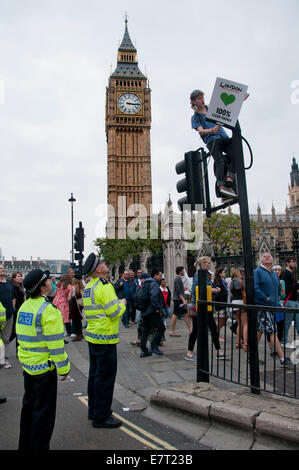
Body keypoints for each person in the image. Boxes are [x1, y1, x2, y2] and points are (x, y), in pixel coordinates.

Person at [16, 268, 70, 450]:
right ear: (42, 287)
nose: (51, 282)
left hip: (28, 368)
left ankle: (25, 445)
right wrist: (63, 369)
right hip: (44, 372)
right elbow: (56, 346)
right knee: (43, 415)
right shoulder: (48, 310)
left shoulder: (24, 307)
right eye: (48, 280)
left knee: (29, 410)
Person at [82, 253, 126, 429]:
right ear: (98, 269)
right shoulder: (105, 286)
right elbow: (114, 312)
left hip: (93, 337)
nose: (105, 263)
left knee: (95, 375)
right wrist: (123, 303)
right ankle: (101, 416)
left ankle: (94, 410)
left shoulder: (89, 286)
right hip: (105, 338)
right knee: (105, 378)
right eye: (102, 262)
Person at [190, 89, 249, 200]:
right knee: (220, 161)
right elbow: (201, 130)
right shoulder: (195, 117)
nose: (202, 100)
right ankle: (221, 186)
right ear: (194, 101)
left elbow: (228, 108)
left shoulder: (212, 109)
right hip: (212, 140)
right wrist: (212, 130)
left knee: (236, 154)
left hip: (223, 137)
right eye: (199, 98)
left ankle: (230, 179)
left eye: (202, 97)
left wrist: (240, 101)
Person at [185, 256, 230, 361]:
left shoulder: (205, 275)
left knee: (213, 328)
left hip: (206, 306)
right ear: (203, 264)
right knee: (196, 330)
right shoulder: (198, 275)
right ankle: (189, 352)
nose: (210, 265)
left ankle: (219, 351)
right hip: (199, 307)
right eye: (208, 263)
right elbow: (196, 289)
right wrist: (213, 290)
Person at [254, 253, 293, 367]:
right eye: (264, 256)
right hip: (263, 306)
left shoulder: (274, 275)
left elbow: (277, 291)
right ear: (260, 260)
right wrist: (265, 298)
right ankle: (282, 358)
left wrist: (277, 303)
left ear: (273, 259)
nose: (267, 257)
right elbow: (255, 288)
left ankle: (252, 355)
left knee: (260, 331)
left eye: (269, 256)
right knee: (272, 331)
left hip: (272, 306)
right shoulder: (257, 272)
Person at [140, 269, 166, 357]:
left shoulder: (145, 282)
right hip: (152, 311)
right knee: (161, 328)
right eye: (160, 275)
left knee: (146, 330)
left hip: (145, 310)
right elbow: (154, 296)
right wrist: (157, 308)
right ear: (155, 275)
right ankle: (154, 346)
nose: (161, 277)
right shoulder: (154, 283)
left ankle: (143, 351)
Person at [0, 264, 16, 369]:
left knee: (6, 338)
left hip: (9, 314)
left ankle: (4, 359)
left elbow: (13, 297)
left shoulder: (9, 284)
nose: (2, 269)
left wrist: (12, 308)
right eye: (0, 268)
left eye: (2, 268)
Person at [282, 257, 299, 348]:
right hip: (289, 301)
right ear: (287, 263)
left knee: (298, 321)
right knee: (287, 322)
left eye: (294, 262)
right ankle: (284, 341)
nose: (294, 264)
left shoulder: (291, 273)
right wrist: (297, 285)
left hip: (295, 300)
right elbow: (288, 288)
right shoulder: (286, 273)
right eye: (292, 262)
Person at [230, 268, 248, 351]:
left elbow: (230, 294)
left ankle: (238, 343)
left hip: (234, 303)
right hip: (241, 302)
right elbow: (244, 293)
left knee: (239, 323)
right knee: (245, 324)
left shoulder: (231, 282)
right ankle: (245, 344)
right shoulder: (241, 281)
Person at [171, 266, 192, 337]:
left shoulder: (179, 279)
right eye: (183, 270)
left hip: (179, 299)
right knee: (175, 314)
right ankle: (172, 331)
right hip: (178, 300)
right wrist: (183, 300)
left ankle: (190, 330)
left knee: (185, 314)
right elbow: (178, 291)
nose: (184, 272)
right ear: (180, 271)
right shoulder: (178, 279)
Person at [53, 274, 73, 341]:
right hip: (63, 302)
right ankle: (62, 333)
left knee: (56, 317)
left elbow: (55, 294)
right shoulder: (69, 286)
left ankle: (56, 332)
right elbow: (69, 298)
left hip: (56, 300)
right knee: (63, 318)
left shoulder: (58, 284)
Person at [9, 271, 25, 346]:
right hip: (16, 310)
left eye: (21, 276)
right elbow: (13, 299)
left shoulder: (20, 286)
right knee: (15, 331)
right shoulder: (13, 287)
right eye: (18, 276)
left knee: (18, 331)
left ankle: (18, 349)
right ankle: (4, 343)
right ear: (14, 278)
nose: (21, 277)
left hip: (20, 309)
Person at [213, 268, 228, 342]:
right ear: (219, 274)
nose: (224, 273)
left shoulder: (223, 281)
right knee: (220, 320)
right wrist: (218, 290)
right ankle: (217, 335)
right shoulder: (218, 281)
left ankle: (215, 332)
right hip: (220, 303)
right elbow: (217, 289)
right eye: (223, 272)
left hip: (224, 303)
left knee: (224, 318)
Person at [272, 264, 285, 350]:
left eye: (279, 270)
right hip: (272, 305)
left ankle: (279, 345)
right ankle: (272, 347)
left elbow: (283, 295)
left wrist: (281, 286)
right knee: (272, 327)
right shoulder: (271, 279)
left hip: (280, 305)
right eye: (275, 270)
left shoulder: (282, 281)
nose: (277, 271)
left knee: (280, 326)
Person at [69, 276, 84, 341]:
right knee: (78, 319)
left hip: (75, 303)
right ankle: (80, 333)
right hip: (80, 303)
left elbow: (74, 294)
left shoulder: (75, 286)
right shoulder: (81, 286)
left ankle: (78, 334)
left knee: (76, 319)